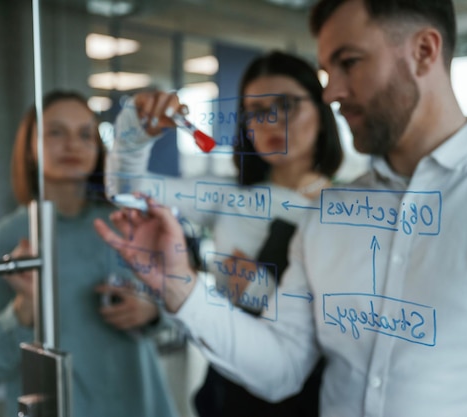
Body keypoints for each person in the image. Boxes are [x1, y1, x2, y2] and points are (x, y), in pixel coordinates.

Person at [94, 1, 467, 416]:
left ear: (424, 51)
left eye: (349, 62)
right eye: (326, 71)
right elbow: (282, 366)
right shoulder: (328, 216)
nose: (332, 91)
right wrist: (182, 288)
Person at [104, 50, 342, 416]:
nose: (271, 122)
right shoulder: (231, 197)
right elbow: (127, 191)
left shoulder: (345, 211)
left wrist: (258, 288)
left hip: (310, 396)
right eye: (256, 112)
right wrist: (135, 132)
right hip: (226, 387)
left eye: (286, 105)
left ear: (322, 112)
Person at [0, 90, 179, 417]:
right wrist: (24, 306)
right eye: (56, 132)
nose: (72, 145)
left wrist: (151, 311)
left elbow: (177, 310)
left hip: (139, 401)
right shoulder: (4, 240)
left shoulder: (126, 223)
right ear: (30, 148)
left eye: (85, 134)